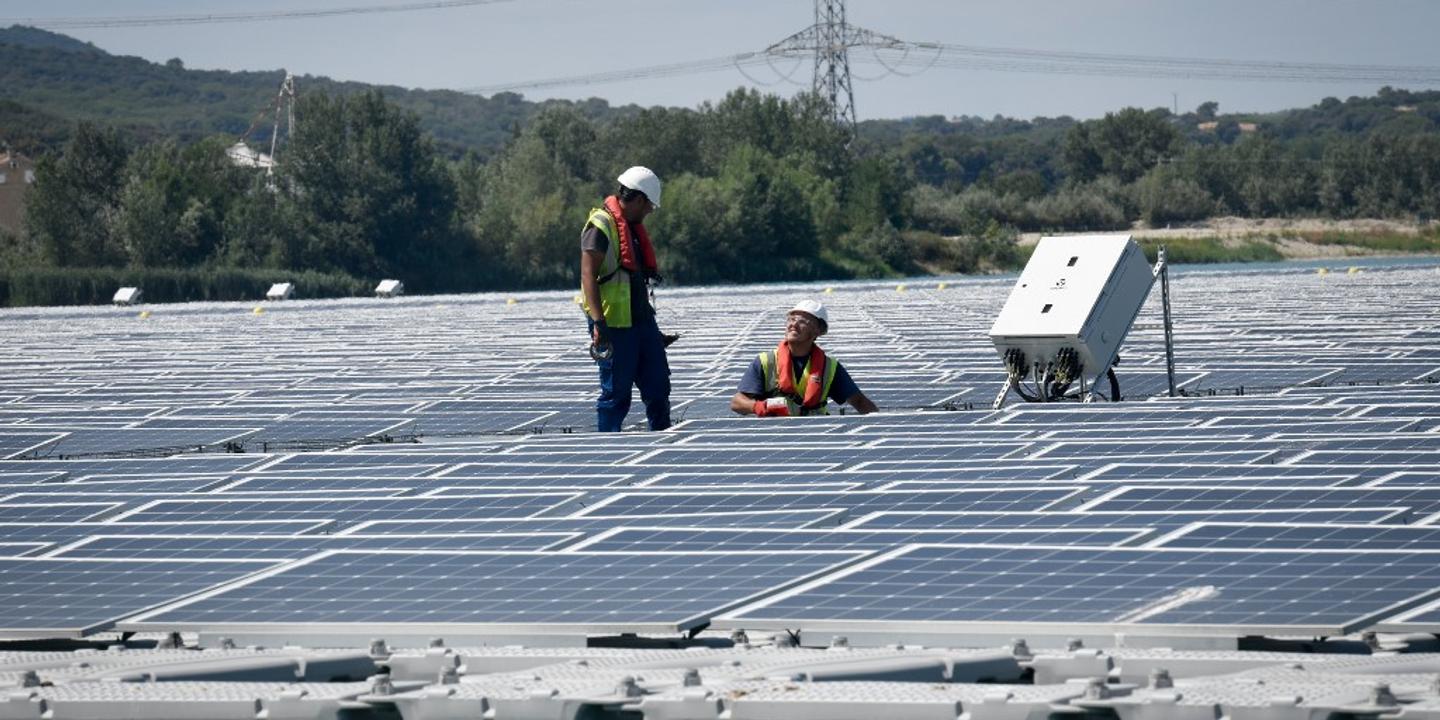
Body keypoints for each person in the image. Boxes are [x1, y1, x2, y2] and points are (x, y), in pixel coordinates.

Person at [579, 166, 672, 432]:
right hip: (614, 326)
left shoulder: (632, 229)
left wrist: (655, 333)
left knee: (658, 387)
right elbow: (588, 277)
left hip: (642, 324)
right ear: (639, 199)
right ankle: (608, 452)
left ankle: (664, 443)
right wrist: (599, 324)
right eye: (649, 206)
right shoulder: (600, 226)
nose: (649, 212)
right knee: (616, 396)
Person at [730, 300, 878, 417]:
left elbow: (859, 401)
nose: (793, 324)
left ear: (817, 331)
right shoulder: (765, 362)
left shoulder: (829, 367)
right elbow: (737, 403)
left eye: (802, 321)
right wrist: (759, 406)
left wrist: (881, 425)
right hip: (774, 434)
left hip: (819, 435)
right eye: (791, 319)